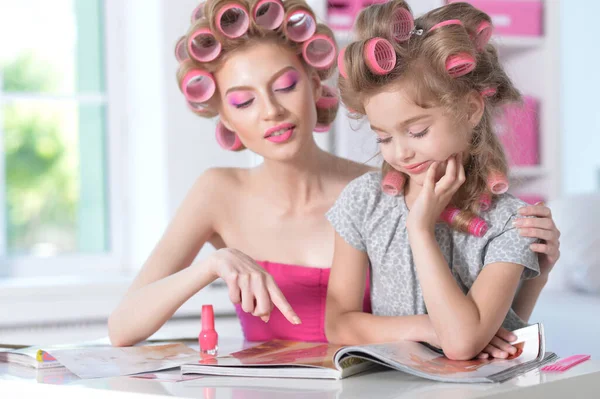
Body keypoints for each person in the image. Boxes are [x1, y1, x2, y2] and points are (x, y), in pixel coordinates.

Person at [108, 0, 560, 356]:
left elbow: (469, 318)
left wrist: (533, 275)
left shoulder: (386, 191)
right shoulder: (218, 192)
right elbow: (123, 327)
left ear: (313, 81)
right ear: (222, 113)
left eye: (284, 85)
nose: (271, 111)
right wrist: (211, 267)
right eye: (243, 102)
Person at [325, 0, 558, 360]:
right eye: (384, 137)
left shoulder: (509, 223)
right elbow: (338, 325)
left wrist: (419, 229)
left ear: (469, 110)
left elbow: (461, 343)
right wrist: (428, 327)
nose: (400, 153)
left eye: (417, 131)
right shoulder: (364, 200)